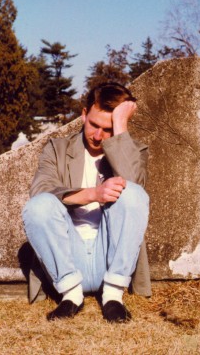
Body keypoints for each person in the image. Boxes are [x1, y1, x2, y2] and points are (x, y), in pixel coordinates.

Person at [22, 82, 149, 323]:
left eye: (108, 128)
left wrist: (121, 128)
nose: (98, 136)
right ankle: (71, 296)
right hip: (67, 257)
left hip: (111, 256)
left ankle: (113, 296)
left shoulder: (135, 151)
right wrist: (94, 194)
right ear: (83, 114)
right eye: (94, 125)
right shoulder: (57, 149)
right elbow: (41, 190)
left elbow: (136, 197)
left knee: (133, 193)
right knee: (37, 206)